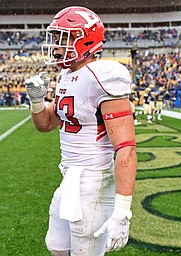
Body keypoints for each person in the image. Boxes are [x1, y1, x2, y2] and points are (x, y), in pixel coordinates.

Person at [24, 6, 137, 256]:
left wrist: (122, 209)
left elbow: (126, 147)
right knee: (57, 247)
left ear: (85, 39)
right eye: (55, 38)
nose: (56, 45)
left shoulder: (104, 75)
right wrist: (36, 101)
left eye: (63, 38)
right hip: (70, 177)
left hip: (94, 179)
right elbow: (46, 124)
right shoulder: (66, 75)